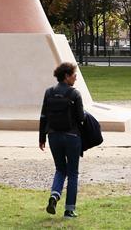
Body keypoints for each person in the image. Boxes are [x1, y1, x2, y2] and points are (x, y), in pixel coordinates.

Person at [38, 62, 85, 218]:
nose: (76, 77)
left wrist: (41, 137)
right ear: (66, 76)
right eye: (74, 74)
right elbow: (81, 118)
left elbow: (43, 116)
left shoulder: (49, 92)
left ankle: (55, 195)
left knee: (60, 169)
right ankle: (69, 209)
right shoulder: (75, 94)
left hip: (53, 136)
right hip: (72, 137)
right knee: (72, 173)